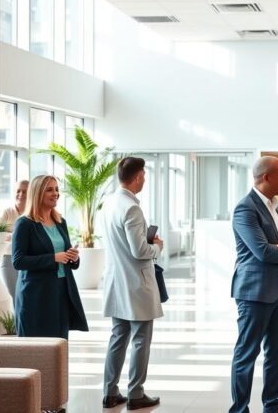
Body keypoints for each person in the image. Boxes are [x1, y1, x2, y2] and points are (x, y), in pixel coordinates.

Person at [229, 156, 278, 413]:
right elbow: (262, 252)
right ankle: (239, 409)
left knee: (276, 354)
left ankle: (272, 405)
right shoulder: (245, 209)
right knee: (247, 353)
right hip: (254, 293)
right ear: (266, 177)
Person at [100, 157, 164, 410]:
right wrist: (156, 246)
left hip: (117, 282)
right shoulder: (132, 208)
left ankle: (110, 391)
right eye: (144, 176)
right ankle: (136, 393)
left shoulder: (109, 203)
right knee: (140, 340)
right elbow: (139, 250)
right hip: (136, 284)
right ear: (137, 177)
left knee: (118, 338)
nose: (144, 180)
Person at [11, 175, 88, 339]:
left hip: (60, 291)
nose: (56, 194)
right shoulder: (24, 223)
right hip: (35, 295)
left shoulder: (60, 222)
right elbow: (18, 261)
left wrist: (73, 257)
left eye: (57, 189)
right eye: (50, 190)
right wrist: (53, 258)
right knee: (35, 347)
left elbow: (66, 257)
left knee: (58, 345)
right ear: (38, 193)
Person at [0, 179, 29, 298]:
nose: (20, 194)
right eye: (18, 191)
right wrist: (20, 235)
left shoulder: (34, 214)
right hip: (8, 259)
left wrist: (12, 234)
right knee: (14, 295)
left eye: (25, 191)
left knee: (27, 295)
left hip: (28, 260)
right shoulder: (6, 212)